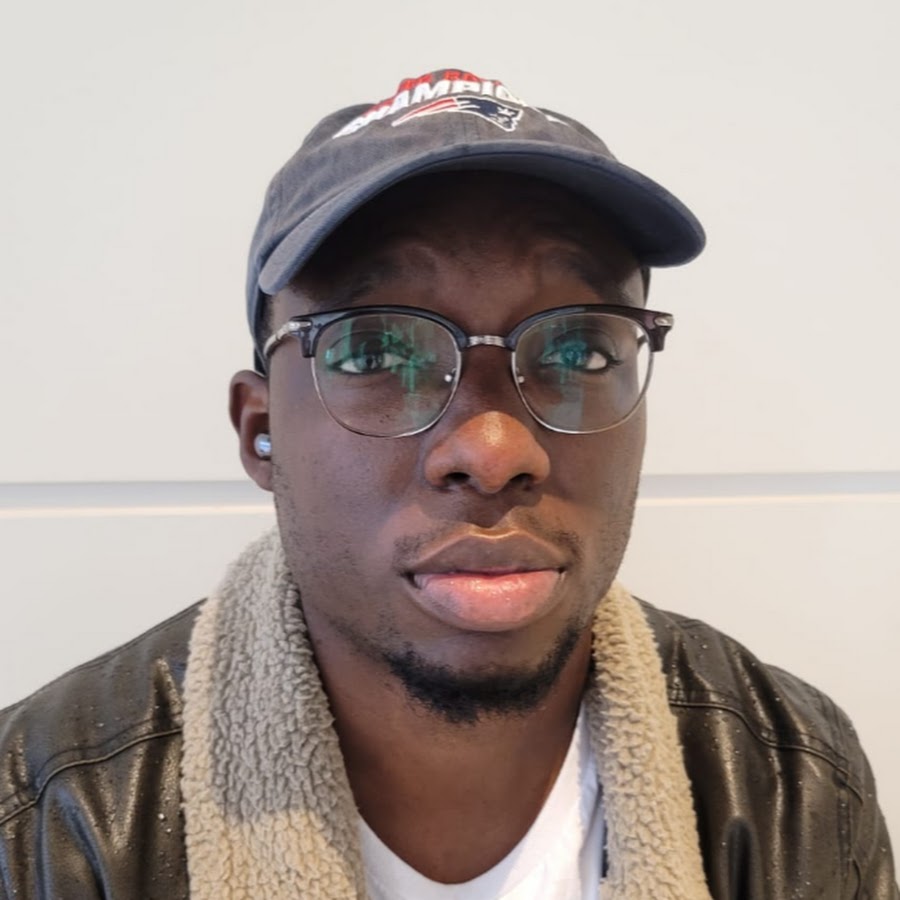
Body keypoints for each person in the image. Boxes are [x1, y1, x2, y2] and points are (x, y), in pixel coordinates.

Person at [0, 67, 896, 900]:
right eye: (375, 352)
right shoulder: (45, 816)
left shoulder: (791, 780)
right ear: (260, 431)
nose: (495, 450)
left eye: (580, 349)